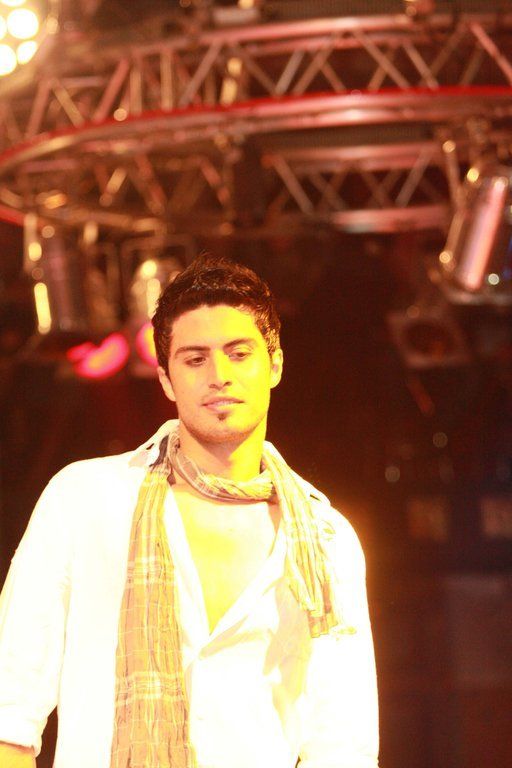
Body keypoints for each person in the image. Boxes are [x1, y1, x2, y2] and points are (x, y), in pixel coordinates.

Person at [0, 254, 379, 768]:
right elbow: (10, 710)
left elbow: (343, 745)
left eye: (239, 354)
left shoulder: (326, 536)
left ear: (275, 365)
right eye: (195, 359)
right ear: (165, 378)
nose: (219, 376)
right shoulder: (85, 500)